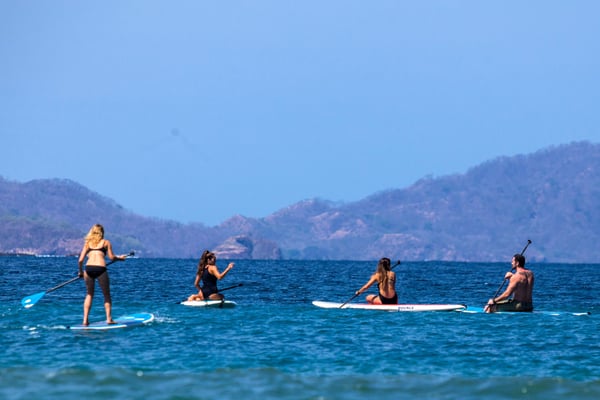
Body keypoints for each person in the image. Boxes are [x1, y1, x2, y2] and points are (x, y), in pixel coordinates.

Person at [77, 224, 127, 325]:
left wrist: (81, 272)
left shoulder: (87, 244)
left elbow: (80, 260)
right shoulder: (106, 242)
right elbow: (112, 258)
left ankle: (85, 320)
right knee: (106, 295)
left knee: (89, 294)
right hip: (100, 268)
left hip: (89, 269)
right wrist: (120, 258)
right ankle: (109, 319)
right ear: (102, 232)